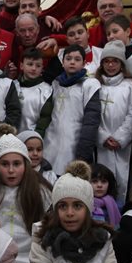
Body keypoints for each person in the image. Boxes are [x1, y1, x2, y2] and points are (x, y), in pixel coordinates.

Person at [0, 134, 53, 263]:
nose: (11, 170)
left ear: (25, 165)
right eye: (5, 164)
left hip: (31, 260)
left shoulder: (40, 190)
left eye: (17, 164)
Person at [37, 44, 102, 175]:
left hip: (75, 145)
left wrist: (83, 153)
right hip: (51, 144)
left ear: (84, 63)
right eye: (68, 58)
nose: (72, 62)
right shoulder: (55, 84)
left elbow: (91, 121)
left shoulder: (90, 85)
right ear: (63, 62)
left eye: (77, 59)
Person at [95, 41, 132, 200]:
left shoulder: (130, 86)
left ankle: (118, 207)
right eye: (106, 61)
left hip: (122, 144)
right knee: (100, 178)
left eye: (115, 61)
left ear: (121, 64)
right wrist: (103, 137)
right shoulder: (95, 85)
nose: (111, 65)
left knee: (121, 178)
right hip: (102, 143)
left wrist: (120, 138)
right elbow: (91, 115)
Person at [15, 48, 53, 132]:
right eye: (30, 64)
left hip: (34, 139)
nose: (34, 68)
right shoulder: (12, 86)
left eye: (38, 65)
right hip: (11, 138)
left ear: (42, 68)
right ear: (21, 66)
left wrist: (35, 137)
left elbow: (45, 119)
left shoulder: (47, 91)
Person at [90, 164, 122, 228]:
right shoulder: (82, 205)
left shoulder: (118, 205)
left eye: (103, 181)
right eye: (94, 181)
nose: (99, 185)